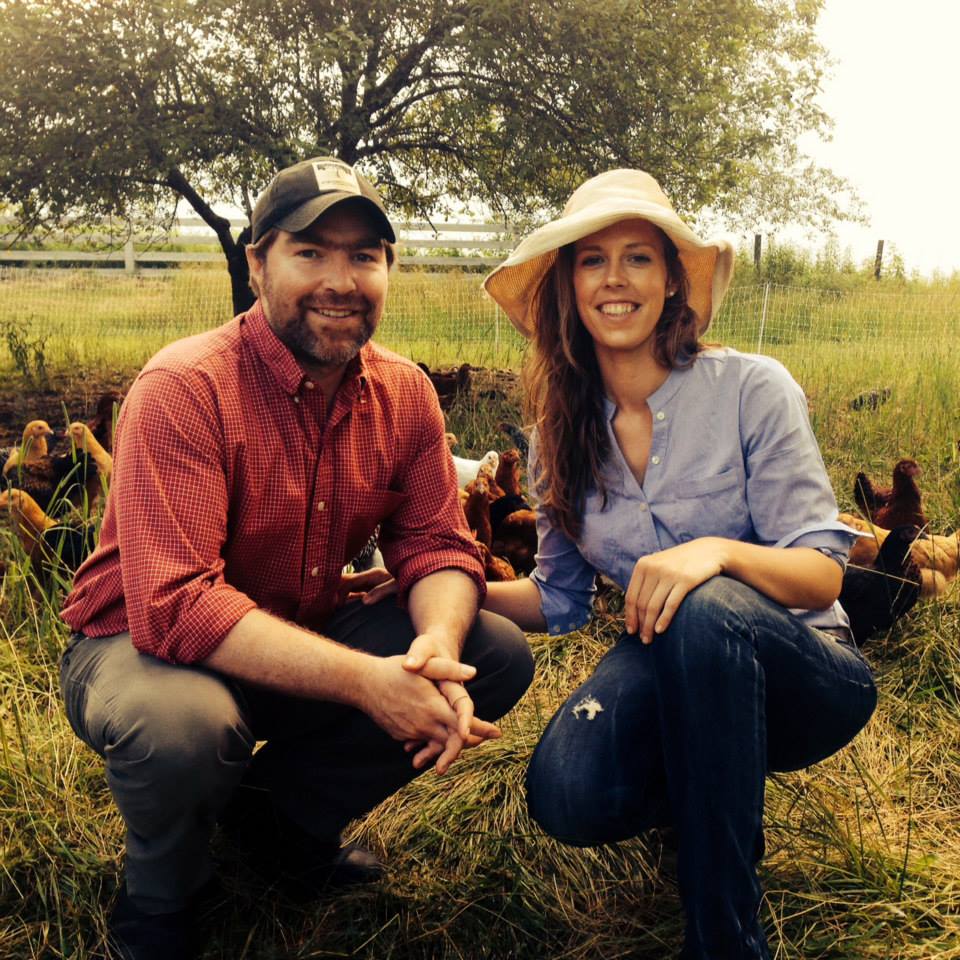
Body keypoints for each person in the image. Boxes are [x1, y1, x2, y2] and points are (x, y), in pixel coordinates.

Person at [58, 156, 534, 960]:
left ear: (388, 269)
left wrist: (436, 650)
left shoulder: (406, 394)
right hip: (139, 645)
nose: (339, 280)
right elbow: (176, 605)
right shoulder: (186, 386)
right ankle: (163, 895)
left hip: (290, 633)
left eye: (363, 256)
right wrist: (368, 683)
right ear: (256, 263)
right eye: (310, 253)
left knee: (493, 651)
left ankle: (277, 824)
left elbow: (435, 544)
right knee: (185, 727)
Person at [479, 169, 878, 958]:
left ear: (670, 283)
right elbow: (558, 599)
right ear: (568, 285)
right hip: (670, 660)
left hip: (808, 673)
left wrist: (717, 552)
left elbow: (824, 575)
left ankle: (724, 934)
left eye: (638, 258)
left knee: (706, 606)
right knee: (565, 793)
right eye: (592, 260)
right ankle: (706, 798)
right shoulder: (557, 435)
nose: (615, 279)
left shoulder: (752, 390)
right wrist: (440, 583)